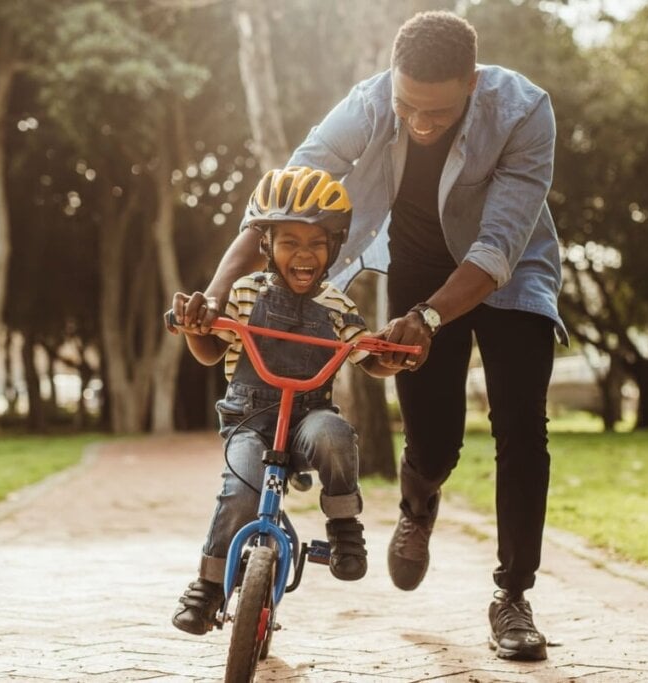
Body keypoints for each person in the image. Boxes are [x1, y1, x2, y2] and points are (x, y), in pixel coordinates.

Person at [186, 11, 566, 661]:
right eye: (408, 106)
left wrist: (430, 319)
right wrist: (218, 289)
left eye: (437, 113)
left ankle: (513, 595)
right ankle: (420, 501)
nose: (420, 123)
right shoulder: (368, 103)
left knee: (521, 424)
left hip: (510, 273)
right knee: (435, 438)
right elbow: (286, 195)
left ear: (471, 83)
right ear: (393, 80)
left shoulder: (525, 111)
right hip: (418, 269)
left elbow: (498, 245)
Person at [166, 166, 408, 637]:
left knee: (335, 436)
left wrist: (392, 358)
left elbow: (366, 356)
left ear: (334, 248)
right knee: (240, 492)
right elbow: (212, 349)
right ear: (266, 246)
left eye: (317, 243)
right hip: (250, 420)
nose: (303, 254)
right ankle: (208, 585)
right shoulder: (242, 293)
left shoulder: (338, 305)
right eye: (289, 241)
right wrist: (197, 329)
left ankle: (343, 527)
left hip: (308, 418)